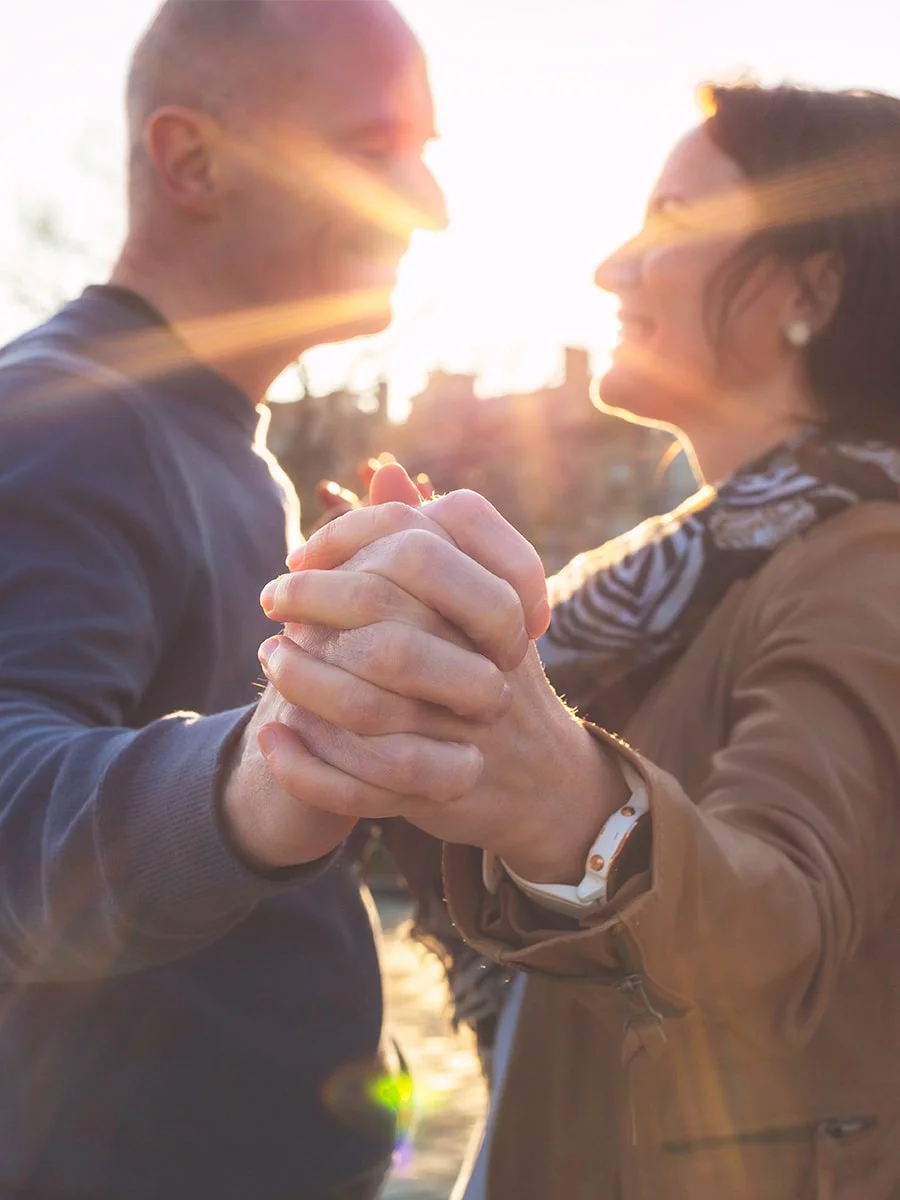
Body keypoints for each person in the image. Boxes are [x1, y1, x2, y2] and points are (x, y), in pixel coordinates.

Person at [249, 83, 900, 1199]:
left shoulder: (868, 564)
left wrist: (557, 790)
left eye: (675, 221)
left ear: (813, 286)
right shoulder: (658, 581)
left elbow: (787, 913)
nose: (613, 270)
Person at [0, 2, 465, 1197]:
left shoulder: (206, 435)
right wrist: (284, 765)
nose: (430, 205)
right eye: (374, 150)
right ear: (191, 160)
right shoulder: (68, 419)